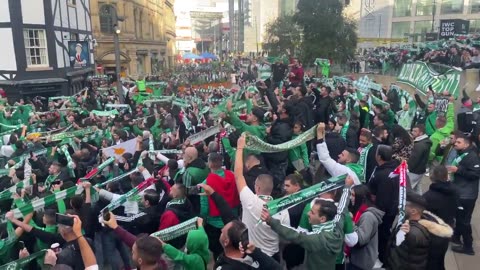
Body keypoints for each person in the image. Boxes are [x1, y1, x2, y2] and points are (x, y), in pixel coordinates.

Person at [261, 176, 354, 270]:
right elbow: (342, 209)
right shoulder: (336, 228)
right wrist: (347, 187)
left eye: (312, 212)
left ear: (322, 219)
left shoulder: (316, 240)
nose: (308, 213)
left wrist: (270, 221)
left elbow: (294, 235)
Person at [235, 135, 289, 260]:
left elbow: (238, 175)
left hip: (253, 255)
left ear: (257, 188)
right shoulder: (283, 209)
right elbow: (285, 236)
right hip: (273, 258)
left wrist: (240, 147)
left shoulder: (250, 201)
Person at [200, 152, 240, 260]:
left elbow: (204, 208)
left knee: (218, 252)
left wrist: (203, 221)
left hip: (214, 224)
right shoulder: (232, 176)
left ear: (210, 164)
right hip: (232, 220)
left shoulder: (206, 183)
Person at [367, 144, 400, 264]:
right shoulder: (396, 169)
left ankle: (383, 258)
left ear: (379, 157)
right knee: (386, 231)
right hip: (393, 208)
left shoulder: (381, 174)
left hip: (382, 210)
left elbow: (375, 193)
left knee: (382, 233)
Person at [448, 133, 480, 255]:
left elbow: (476, 174)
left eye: (458, 142)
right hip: (461, 191)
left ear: (466, 144)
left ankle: (468, 246)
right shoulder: (463, 153)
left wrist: (458, 170)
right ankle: (456, 237)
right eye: (456, 142)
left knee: (464, 221)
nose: (455, 143)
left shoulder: (472, 157)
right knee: (459, 218)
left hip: (466, 195)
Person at [346, 184, 384, 270]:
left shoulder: (368, 216)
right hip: (357, 259)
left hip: (361, 262)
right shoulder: (360, 211)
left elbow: (361, 240)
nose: (351, 198)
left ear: (361, 197)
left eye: (353, 195)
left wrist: (350, 223)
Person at [408, 124, 432, 193]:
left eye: (415, 131)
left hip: (414, 171)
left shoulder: (420, 145)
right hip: (420, 170)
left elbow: (414, 159)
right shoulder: (425, 142)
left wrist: (408, 168)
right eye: (412, 130)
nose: (412, 132)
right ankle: (420, 200)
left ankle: (406, 203)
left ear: (421, 133)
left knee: (408, 189)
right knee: (417, 188)